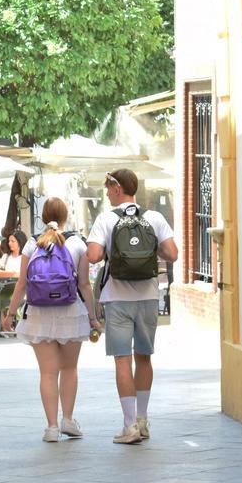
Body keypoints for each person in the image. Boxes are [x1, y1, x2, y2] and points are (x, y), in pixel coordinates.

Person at [86, 169, 177, 444]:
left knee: (122, 360)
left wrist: (110, 249)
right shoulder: (154, 218)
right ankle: (143, 420)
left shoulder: (106, 219)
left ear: (117, 188)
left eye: (108, 189)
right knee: (144, 358)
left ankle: (129, 426)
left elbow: (93, 256)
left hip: (117, 299)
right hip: (148, 297)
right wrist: (149, 250)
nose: (106, 194)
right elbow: (172, 253)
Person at [2, 198, 98, 442]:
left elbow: (22, 284)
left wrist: (10, 314)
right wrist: (93, 317)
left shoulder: (32, 244)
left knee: (47, 373)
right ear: (66, 216)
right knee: (69, 369)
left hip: (38, 313)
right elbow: (84, 285)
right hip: (70, 312)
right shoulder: (77, 243)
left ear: (43, 217)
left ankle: (52, 427)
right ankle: (68, 419)